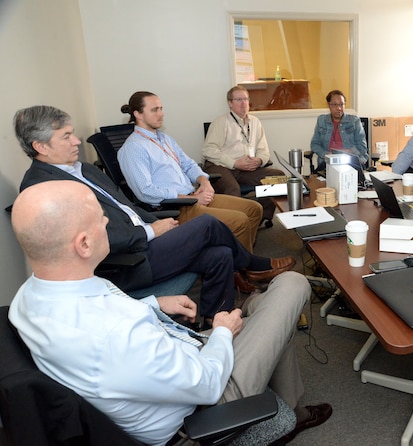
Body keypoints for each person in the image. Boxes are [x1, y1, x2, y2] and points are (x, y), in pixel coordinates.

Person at [8, 180, 332, 446]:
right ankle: (259, 315)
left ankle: (289, 401)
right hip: (205, 405)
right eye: (100, 218)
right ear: (83, 244)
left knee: (273, 315)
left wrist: (152, 304)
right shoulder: (119, 332)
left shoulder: (27, 298)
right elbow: (207, 384)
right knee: (292, 283)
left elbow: (104, 329)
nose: (108, 221)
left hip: (171, 360)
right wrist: (221, 332)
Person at [15, 105, 296, 324]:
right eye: (66, 136)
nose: (77, 141)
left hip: (147, 236)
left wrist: (161, 223)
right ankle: (251, 264)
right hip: (125, 263)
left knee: (220, 255)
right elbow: (94, 237)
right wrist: (151, 231)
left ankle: (215, 319)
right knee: (208, 224)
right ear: (41, 146)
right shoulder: (44, 189)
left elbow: (128, 207)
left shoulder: (83, 169)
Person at [119, 91, 262, 252]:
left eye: (161, 108)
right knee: (240, 220)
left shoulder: (164, 139)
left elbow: (189, 164)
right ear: (138, 114)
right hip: (176, 208)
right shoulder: (133, 148)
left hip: (193, 197)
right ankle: (242, 269)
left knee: (254, 209)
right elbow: (145, 191)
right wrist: (189, 198)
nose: (161, 114)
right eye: (154, 110)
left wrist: (204, 181)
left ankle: (241, 257)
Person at [202, 86, 284, 222]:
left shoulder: (255, 122)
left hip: (246, 169)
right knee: (233, 189)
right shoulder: (221, 122)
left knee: (278, 177)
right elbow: (208, 150)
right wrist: (234, 163)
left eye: (245, 99)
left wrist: (259, 160)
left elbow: (264, 150)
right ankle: (235, 226)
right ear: (230, 103)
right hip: (222, 166)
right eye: (238, 99)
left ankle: (257, 218)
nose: (243, 103)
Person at [309, 89, 369, 173]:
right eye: (335, 105)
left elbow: (362, 147)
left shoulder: (354, 121)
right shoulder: (322, 120)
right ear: (329, 105)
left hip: (350, 162)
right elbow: (315, 144)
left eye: (341, 104)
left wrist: (346, 152)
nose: (339, 108)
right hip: (327, 163)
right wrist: (326, 154)